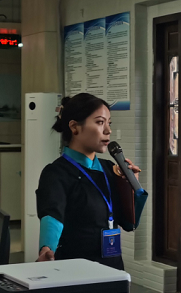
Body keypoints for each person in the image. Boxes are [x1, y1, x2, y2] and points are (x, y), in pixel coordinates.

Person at [35, 93, 143, 270]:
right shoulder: (56, 173)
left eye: (109, 123)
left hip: (112, 267)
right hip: (76, 270)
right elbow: (52, 216)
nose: (108, 130)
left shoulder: (111, 169)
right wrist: (47, 248)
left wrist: (131, 188)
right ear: (74, 127)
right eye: (100, 122)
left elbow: (129, 223)